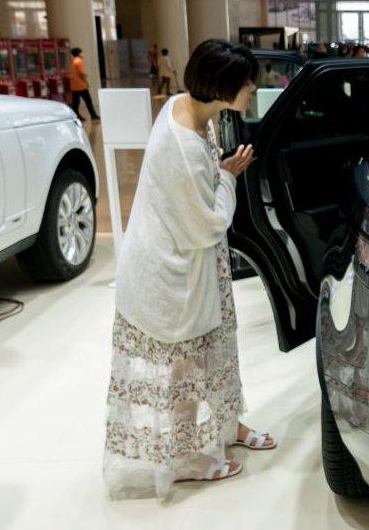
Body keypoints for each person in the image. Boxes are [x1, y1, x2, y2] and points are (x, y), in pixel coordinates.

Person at [104, 39, 274, 499]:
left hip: (190, 269)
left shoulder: (191, 110)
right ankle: (183, 460)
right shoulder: (182, 142)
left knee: (213, 353)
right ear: (222, 88)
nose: (253, 88)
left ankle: (226, 424)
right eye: (246, 83)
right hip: (170, 273)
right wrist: (228, 178)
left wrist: (218, 173)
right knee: (185, 365)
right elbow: (207, 224)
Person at [68, 47, 100, 121]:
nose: (83, 54)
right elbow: (81, 74)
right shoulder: (79, 61)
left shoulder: (72, 61)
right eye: (82, 52)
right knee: (88, 101)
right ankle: (93, 115)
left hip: (74, 85)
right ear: (79, 53)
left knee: (75, 102)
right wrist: (86, 82)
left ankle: (76, 116)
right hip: (81, 85)